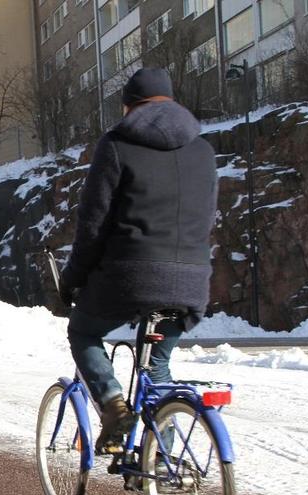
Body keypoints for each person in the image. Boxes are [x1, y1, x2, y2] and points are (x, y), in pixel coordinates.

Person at [59, 67, 218, 452]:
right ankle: (160, 460)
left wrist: (73, 278)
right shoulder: (204, 149)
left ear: (128, 106)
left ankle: (113, 406)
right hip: (192, 280)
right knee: (157, 366)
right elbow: (207, 217)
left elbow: (93, 222)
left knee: (83, 332)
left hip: (131, 276)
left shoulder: (116, 143)